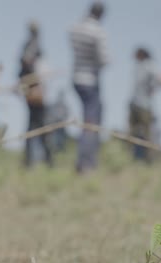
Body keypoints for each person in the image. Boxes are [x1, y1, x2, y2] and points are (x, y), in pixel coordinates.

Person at [69, 1, 108, 174]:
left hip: (76, 78)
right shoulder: (97, 32)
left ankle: (84, 160)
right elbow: (104, 59)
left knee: (87, 120)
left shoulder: (76, 28)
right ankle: (87, 163)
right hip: (90, 80)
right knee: (91, 123)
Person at [18, 21, 53, 168]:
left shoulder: (30, 46)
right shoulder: (32, 46)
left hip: (33, 90)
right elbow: (26, 65)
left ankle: (36, 160)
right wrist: (35, 86)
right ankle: (44, 161)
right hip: (34, 91)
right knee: (39, 125)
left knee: (35, 125)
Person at [129, 48, 161, 162]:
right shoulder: (138, 66)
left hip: (145, 105)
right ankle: (136, 158)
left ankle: (148, 159)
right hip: (135, 103)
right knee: (134, 133)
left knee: (147, 133)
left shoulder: (149, 65)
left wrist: (152, 89)